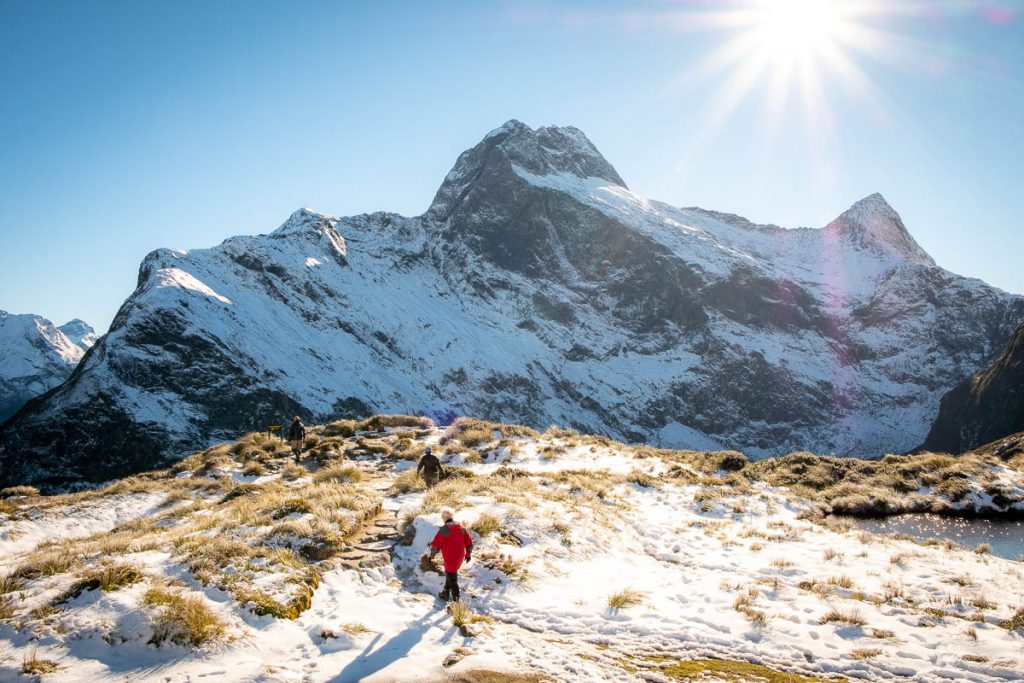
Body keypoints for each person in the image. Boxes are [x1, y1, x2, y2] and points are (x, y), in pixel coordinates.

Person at [430, 509, 473, 603]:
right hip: (460, 556)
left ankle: (456, 603)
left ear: (444, 518)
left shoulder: (444, 530)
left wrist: (431, 556)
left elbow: (436, 545)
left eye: (442, 517)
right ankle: (445, 593)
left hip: (450, 558)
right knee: (450, 574)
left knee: (453, 580)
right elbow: (469, 542)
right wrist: (468, 554)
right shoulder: (461, 528)